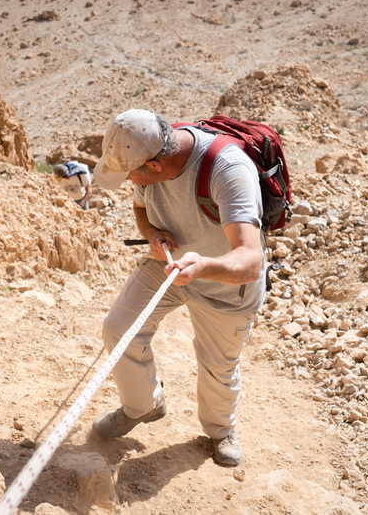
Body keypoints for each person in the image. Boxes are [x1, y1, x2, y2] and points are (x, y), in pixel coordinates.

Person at [91, 109, 265, 467]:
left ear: (154, 167)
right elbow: (141, 209)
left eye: (131, 176)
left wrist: (204, 267)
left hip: (224, 281)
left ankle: (220, 431)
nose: (129, 183)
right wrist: (151, 234)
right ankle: (143, 406)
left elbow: (250, 261)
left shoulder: (228, 170)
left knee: (218, 366)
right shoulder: (149, 156)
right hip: (167, 265)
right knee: (119, 329)